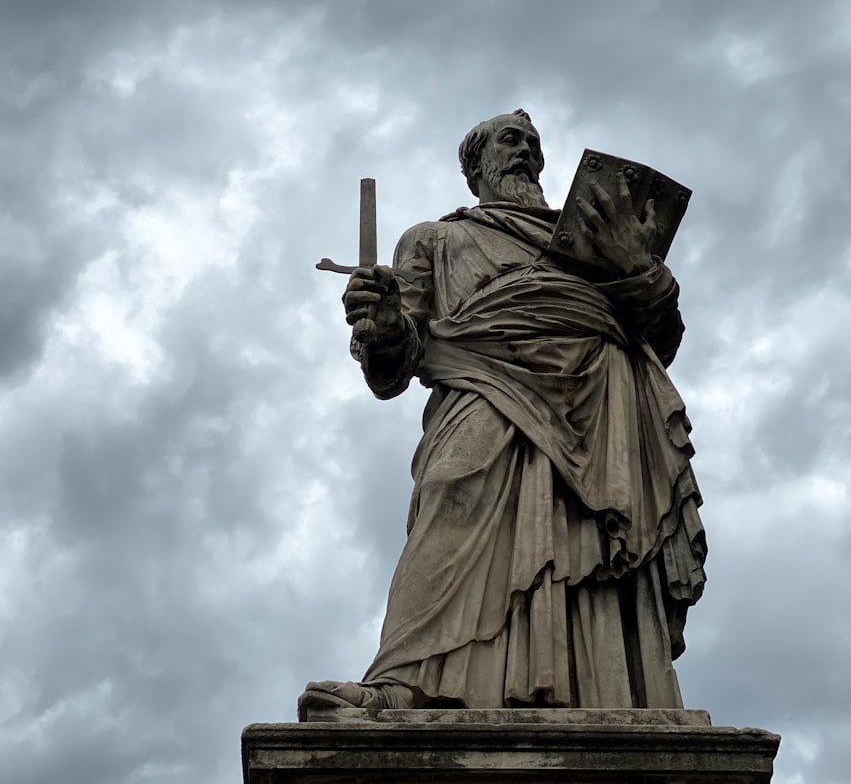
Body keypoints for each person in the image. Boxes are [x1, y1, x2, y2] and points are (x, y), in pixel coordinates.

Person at [298, 110, 706, 717]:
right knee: (451, 493)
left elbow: (661, 338)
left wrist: (640, 268)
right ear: (475, 166)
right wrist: (381, 322)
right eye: (511, 141)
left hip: (600, 400)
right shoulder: (436, 240)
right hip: (484, 385)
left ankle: (620, 689)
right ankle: (405, 682)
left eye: (535, 145)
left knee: (599, 541)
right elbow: (393, 365)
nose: (528, 154)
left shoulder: (592, 235)